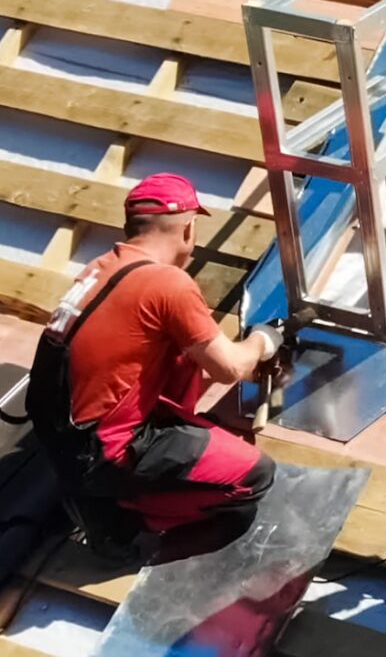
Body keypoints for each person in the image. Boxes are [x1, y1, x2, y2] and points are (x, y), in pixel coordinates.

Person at [27, 173, 282, 556]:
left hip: (69, 440)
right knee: (254, 478)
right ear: (187, 229)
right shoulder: (169, 284)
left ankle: (106, 492)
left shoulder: (98, 268)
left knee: (182, 358)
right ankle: (123, 521)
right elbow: (229, 368)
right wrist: (264, 341)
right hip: (109, 453)